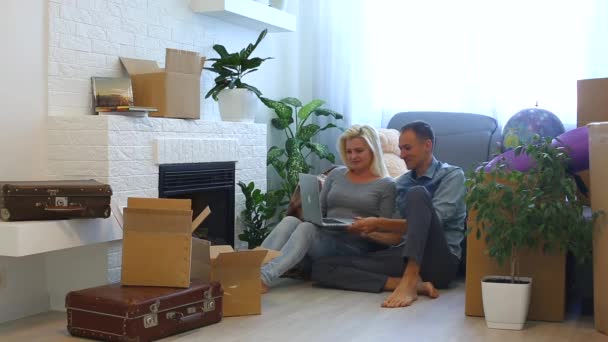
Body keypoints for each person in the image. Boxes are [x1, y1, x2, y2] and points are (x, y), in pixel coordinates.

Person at [311, 120, 466, 308]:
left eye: (407, 148)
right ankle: (411, 285)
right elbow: (396, 235)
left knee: (417, 194)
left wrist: (378, 222)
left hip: (439, 261)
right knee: (321, 267)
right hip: (402, 253)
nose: (402, 155)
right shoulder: (400, 183)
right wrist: (368, 232)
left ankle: (409, 280)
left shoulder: (452, 175)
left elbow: (432, 222)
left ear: (427, 145)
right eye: (400, 149)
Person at [260, 124, 396, 292]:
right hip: (324, 238)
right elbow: (320, 211)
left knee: (307, 229)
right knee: (290, 221)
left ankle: (262, 279)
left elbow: (390, 236)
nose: (353, 156)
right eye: (349, 151)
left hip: (354, 248)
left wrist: (364, 230)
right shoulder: (336, 174)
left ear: (373, 150)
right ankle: (248, 269)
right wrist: (314, 217)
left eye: (359, 151)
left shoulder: (386, 185)